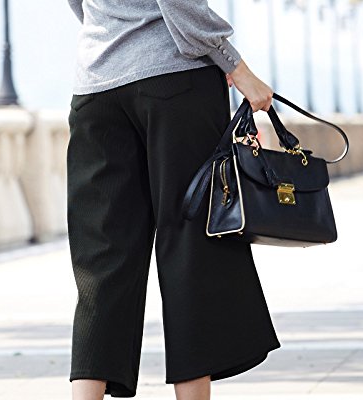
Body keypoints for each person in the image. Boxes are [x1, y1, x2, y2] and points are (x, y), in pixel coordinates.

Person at [66, 1, 281, 399]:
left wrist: (113, 29)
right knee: (191, 245)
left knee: (102, 259)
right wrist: (237, 67)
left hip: (96, 88)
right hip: (174, 82)